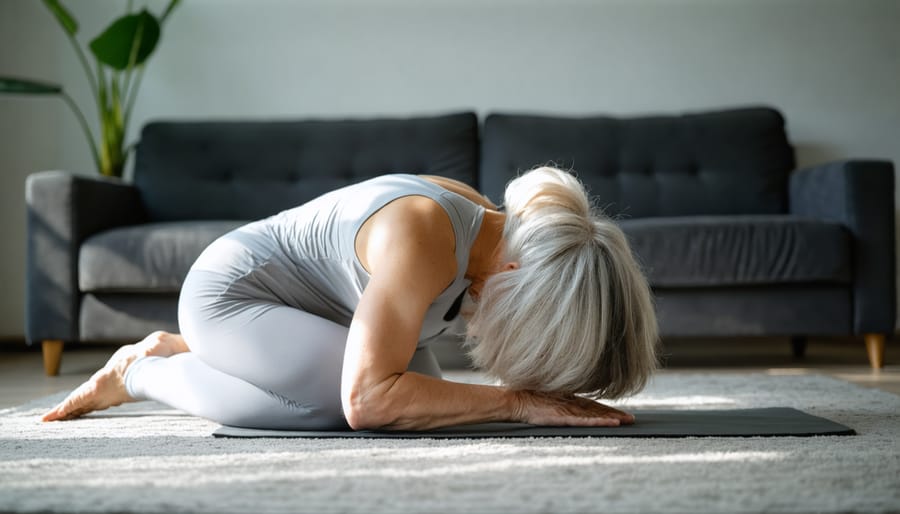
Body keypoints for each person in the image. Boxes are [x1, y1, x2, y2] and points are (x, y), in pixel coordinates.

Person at [42, 166, 658, 431]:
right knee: (338, 408)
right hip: (228, 296)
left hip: (301, 315)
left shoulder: (488, 236)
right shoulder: (426, 235)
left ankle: (189, 354)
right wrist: (518, 403)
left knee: (427, 402)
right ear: (519, 269)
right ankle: (145, 371)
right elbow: (367, 399)